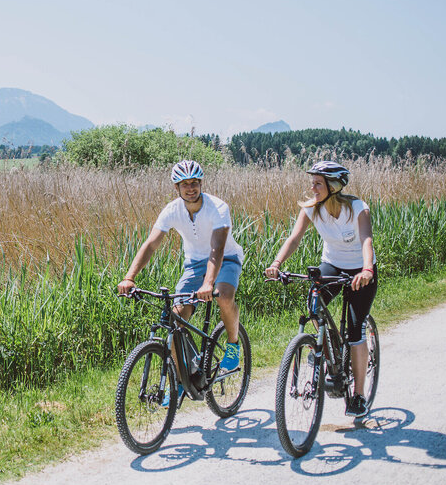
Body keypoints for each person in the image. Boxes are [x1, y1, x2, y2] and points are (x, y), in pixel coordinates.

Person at [117, 160, 245, 401]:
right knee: (175, 320)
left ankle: (233, 344)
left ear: (201, 184)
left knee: (224, 296)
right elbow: (151, 244)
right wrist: (129, 277)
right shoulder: (172, 210)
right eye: (185, 184)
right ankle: (180, 379)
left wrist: (209, 284)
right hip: (195, 264)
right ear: (177, 187)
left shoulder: (218, 207)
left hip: (225, 258)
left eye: (195, 183)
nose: (190, 188)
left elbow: (217, 248)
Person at [264, 160, 377, 417]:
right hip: (333, 266)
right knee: (314, 303)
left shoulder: (357, 208)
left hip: (361, 270)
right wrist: (276, 263)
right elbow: (294, 238)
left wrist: (367, 269)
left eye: (318, 183)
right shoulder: (311, 209)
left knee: (356, 330)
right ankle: (325, 351)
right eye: (312, 182)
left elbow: (366, 239)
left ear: (333, 186)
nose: (312, 187)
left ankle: (358, 396)